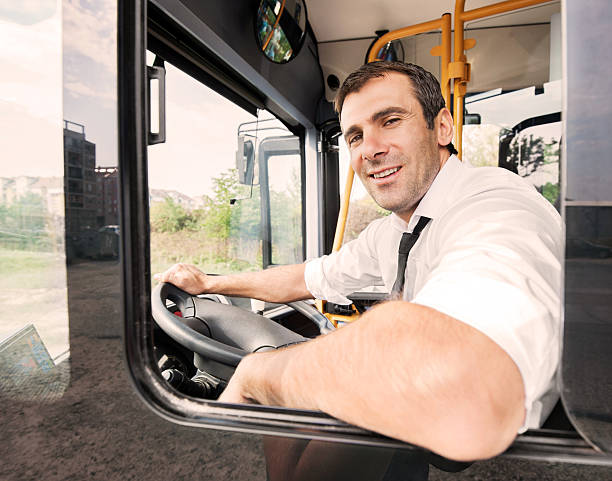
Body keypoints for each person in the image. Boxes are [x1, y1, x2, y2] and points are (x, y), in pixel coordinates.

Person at [155, 62, 562, 463]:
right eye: (355, 136)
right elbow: (310, 277)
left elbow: (461, 377)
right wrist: (210, 284)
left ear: (442, 127)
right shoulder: (393, 231)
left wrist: (259, 374)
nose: (370, 149)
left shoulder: (496, 206)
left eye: (390, 120)